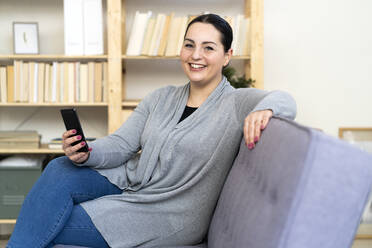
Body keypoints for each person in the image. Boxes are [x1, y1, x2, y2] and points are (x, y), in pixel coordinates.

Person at [7, 14, 296, 248]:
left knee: (48, 220)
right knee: (60, 167)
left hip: (170, 213)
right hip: (134, 182)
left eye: (209, 47)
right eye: (189, 45)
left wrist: (265, 110)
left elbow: (285, 99)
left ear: (227, 55)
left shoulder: (237, 102)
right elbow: (122, 143)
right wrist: (86, 152)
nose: (196, 55)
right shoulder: (161, 97)